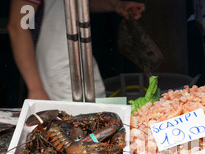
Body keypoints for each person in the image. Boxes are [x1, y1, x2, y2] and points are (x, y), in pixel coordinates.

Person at [8, 0, 145, 101]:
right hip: (56, 76)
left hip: (86, 69)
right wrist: (35, 88)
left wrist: (116, 5)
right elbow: (19, 27)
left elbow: (75, 3)